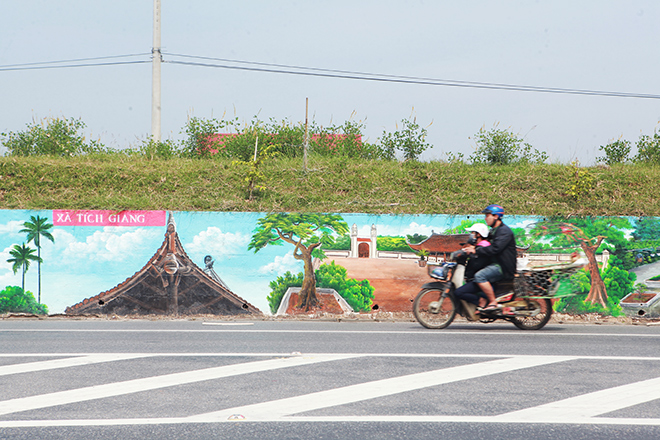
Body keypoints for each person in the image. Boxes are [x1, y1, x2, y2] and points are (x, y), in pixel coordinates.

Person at [463, 204, 517, 311]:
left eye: (488, 215)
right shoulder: (494, 231)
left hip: (503, 267)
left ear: (496, 216)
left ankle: (492, 301)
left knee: (480, 276)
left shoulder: (504, 231)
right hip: (495, 264)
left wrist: (476, 250)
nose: (486, 218)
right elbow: (485, 244)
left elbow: (495, 249)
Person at [453, 223, 493, 320]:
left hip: (480, 280)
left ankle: (480, 300)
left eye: (473, 233)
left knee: (458, 292)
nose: (472, 235)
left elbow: (478, 264)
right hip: (475, 279)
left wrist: (470, 254)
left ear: (479, 234)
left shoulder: (484, 247)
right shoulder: (478, 247)